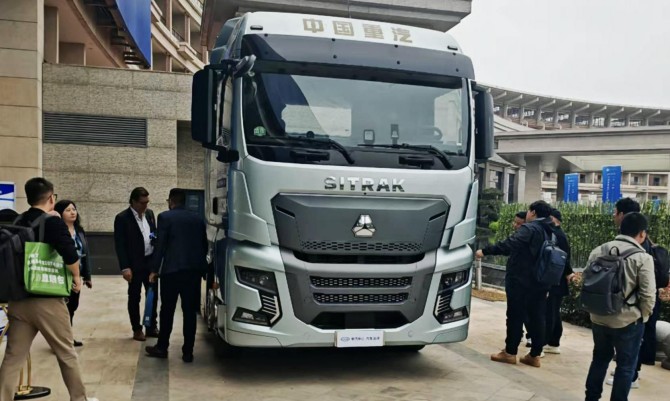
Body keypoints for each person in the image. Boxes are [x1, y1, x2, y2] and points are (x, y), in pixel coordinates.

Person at [0, 177, 98, 401]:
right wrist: (76, 277)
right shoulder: (52, 222)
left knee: (13, 357)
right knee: (66, 353)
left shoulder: (17, 220)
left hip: (18, 298)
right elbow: (70, 255)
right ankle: (79, 399)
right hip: (46, 299)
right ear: (51, 198)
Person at [584, 212, 656, 401]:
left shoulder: (599, 250)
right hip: (628, 320)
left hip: (599, 316)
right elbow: (648, 294)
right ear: (642, 233)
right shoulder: (643, 258)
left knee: (599, 359)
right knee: (625, 366)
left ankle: (591, 398)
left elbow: (586, 280)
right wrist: (643, 316)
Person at [475, 200, 556, 368]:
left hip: (521, 279)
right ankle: (534, 355)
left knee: (515, 315)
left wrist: (486, 251)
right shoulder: (551, 231)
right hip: (540, 280)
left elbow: (510, 244)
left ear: (533, 212)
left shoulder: (530, 228)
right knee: (537, 317)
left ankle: (510, 352)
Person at [605, 197, 670, 388]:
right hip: (638, 301)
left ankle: (632, 375)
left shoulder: (637, 245)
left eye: (616, 212)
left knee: (634, 341)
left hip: (636, 303)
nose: (614, 216)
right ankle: (629, 371)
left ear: (623, 215)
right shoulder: (642, 240)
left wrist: (644, 311)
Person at [145, 189, 207, 363]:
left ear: (171, 201)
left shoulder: (165, 217)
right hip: (192, 273)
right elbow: (203, 245)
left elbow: (160, 245)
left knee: (167, 310)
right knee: (190, 313)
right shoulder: (197, 218)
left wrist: (154, 270)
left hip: (171, 272)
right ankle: (188, 352)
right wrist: (202, 269)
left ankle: (162, 347)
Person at [114, 187, 159, 341]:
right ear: (133, 201)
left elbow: (153, 234)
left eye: (147, 202)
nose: (145, 206)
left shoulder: (150, 214)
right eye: (142, 203)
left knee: (152, 295)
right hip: (134, 265)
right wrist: (125, 267)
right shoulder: (122, 218)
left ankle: (151, 326)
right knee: (134, 297)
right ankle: (137, 329)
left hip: (150, 262)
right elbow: (120, 245)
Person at [55, 200, 93, 347]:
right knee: (61, 310)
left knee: (72, 307)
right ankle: (62, 340)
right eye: (68, 210)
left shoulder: (79, 231)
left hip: (76, 276)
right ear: (60, 213)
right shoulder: (57, 231)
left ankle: (67, 337)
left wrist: (87, 276)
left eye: (74, 209)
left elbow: (85, 254)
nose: (72, 212)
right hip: (60, 275)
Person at [543, 209, 575, 354]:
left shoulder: (557, 235)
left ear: (553, 218)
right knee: (553, 311)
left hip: (555, 278)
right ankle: (553, 342)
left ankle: (546, 341)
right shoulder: (557, 234)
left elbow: (563, 257)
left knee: (550, 311)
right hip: (557, 278)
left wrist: (568, 272)